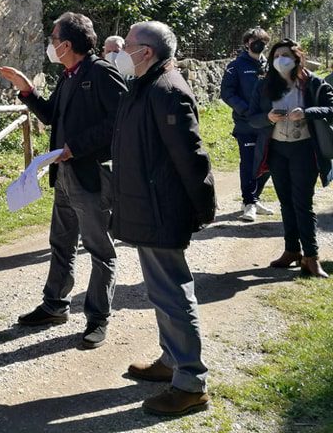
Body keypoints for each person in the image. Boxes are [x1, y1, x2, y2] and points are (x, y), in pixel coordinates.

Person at [0, 12, 126, 349]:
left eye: (54, 39)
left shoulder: (101, 72)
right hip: (65, 173)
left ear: (67, 44)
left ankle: (98, 319)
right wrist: (27, 92)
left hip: (91, 174)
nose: (50, 44)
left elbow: (118, 122)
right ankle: (54, 305)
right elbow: (52, 115)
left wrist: (76, 148)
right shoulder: (69, 75)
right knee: (61, 242)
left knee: (100, 250)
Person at [111, 22, 215, 417]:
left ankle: (190, 383)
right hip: (146, 207)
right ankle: (172, 361)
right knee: (161, 291)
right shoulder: (144, 85)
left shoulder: (167, 91)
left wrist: (201, 206)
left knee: (173, 293)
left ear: (148, 52)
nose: (121, 49)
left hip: (161, 209)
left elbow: (191, 157)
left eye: (129, 45)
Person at [248, 39, 333, 278]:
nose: (279, 60)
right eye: (275, 56)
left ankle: (311, 257)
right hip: (276, 151)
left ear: (297, 57)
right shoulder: (264, 86)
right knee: (285, 202)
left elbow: (331, 108)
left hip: (304, 150)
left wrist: (307, 112)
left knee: (302, 204)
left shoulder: (313, 83)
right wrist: (268, 118)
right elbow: (251, 118)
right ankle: (292, 251)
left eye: (285, 55)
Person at [220, 28, 273, 222]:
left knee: (268, 162)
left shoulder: (269, 65)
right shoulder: (236, 66)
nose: (259, 45)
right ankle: (248, 202)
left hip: (269, 122)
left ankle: (255, 198)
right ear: (246, 43)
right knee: (249, 162)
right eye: (255, 41)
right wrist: (245, 110)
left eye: (263, 42)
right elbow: (226, 93)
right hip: (246, 124)